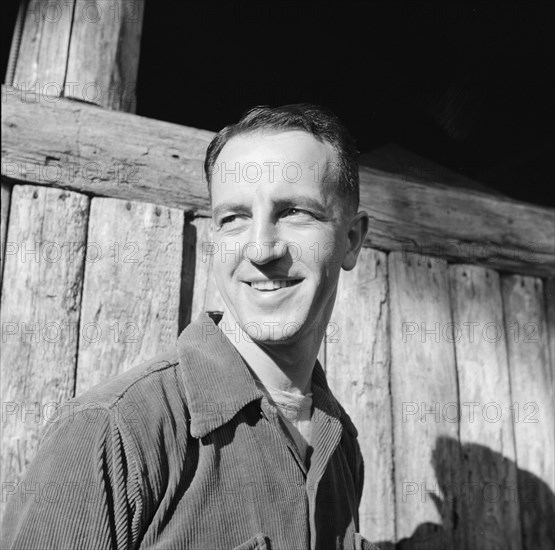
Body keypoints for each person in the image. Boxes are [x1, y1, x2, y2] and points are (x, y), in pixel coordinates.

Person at [1, 104, 377, 549]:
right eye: (233, 217)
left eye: (294, 211)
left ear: (351, 240)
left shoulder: (341, 445)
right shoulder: (110, 433)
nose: (260, 248)